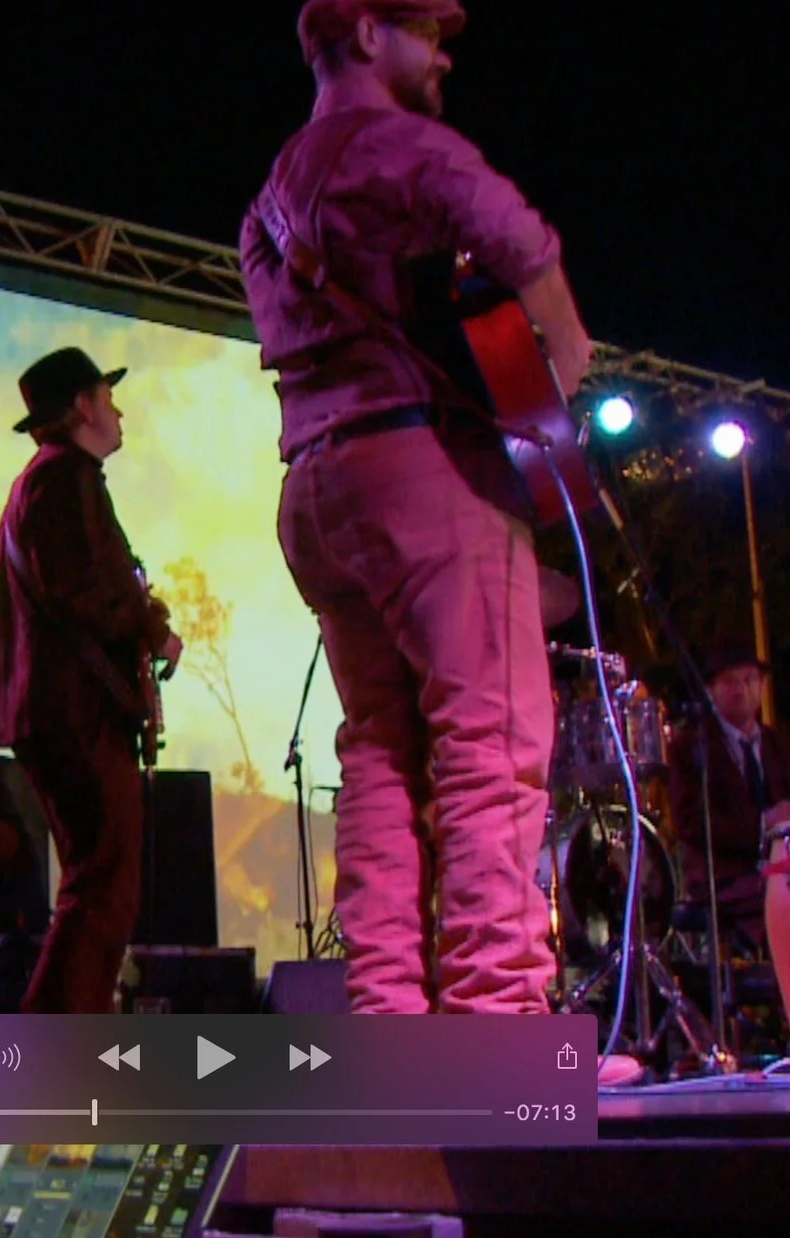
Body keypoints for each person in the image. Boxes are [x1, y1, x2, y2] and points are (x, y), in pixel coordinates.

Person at [244, 0, 605, 1043]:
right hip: (418, 466)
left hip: (314, 479)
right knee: (487, 743)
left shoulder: (264, 201)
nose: (446, 51)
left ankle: (390, 1028)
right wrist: (561, 372)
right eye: (428, 32)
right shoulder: (399, 146)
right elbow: (519, 241)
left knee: (381, 754)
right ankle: (496, 1030)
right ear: (363, 33)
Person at [0, 347, 182, 1015]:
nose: (119, 408)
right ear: (82, 407)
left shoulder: (49, 481)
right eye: (108, 395)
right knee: (102, 893)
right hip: (76, 714)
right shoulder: (61, 479)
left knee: (97, 890)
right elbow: (86, 589)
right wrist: (153, 629)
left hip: (65, 712)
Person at [665, 643, 790, 948]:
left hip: (781, 866)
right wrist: (762, 824)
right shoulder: (691, 747)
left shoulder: (778, 745)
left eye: (749, 680)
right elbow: (690, 822)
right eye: (730, 681)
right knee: (788, 898)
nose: (741, 690)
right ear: (711, 691)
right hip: (720, 877)